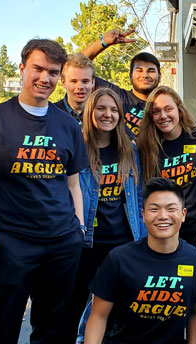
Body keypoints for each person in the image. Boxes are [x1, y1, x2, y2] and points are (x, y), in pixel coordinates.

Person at [0, 39, 89, 343]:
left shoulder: (67, 125)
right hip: (13, 241)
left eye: (53, 72)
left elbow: (73, 183)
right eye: (38, 69)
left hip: (62, 242)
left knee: (52, 328)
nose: (45, 78)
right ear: (22, 69)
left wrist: (79, 227)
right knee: (2, 326)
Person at [84, 177, 196, 344]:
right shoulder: (119, 259)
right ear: (143, 215)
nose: (163, 216)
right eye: (154, 209)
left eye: (171, 209)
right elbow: (99, 316)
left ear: (183, 215)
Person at [62, 88, 146, 344]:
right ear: (90, 112)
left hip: (123, 239)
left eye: (113, 110)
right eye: (101, 108)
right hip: (87, 240)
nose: (107, 115)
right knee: (77, 301)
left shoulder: (129, 150)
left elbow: (138, 196)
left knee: (122, 300)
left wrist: (141, 237)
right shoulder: (78, 148)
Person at [138, 86, 196, 262]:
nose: (163, 116)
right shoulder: (147, 146)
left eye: (168, 109)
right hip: (166, 227)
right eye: (156, 112)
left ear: (180, 110)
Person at [81, 29, 160, 139]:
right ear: (130, 75)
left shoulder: (164, 106)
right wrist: (103, 43)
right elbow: (75, 67)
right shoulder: (117, 96)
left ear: (159, 77)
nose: (145, 75)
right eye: (139, 70)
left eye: (151, 71)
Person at [54, 53, 97, 124]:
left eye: (85, 81)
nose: (80, 87)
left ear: (92, 82)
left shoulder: (101, 115)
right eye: (74, 81)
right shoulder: (51, 114)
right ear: (63, 82)